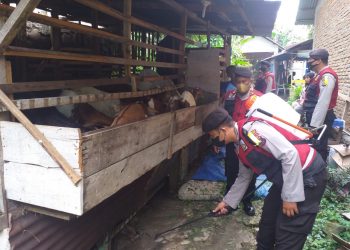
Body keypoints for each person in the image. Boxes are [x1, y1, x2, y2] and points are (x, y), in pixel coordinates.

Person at [202, 108, 327, 250]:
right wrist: (227, 203)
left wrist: (290, 197)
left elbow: (289, 154)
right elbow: (244, 176)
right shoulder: (238, 145)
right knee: (267, 226)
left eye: (214, 136)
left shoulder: (252, 132)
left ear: (223, 130)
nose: (215, 141)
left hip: (307, 174)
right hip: (285, 178)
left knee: (289, 233)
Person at [221, 66, 262, 216]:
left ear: (250, 81)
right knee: (231, 168)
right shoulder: (230, 96)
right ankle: (230, 200)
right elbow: (224, 117)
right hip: (232, 139)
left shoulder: (258, 98)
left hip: (250, 143)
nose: (240, 85)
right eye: (237, 82)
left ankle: (247, 200)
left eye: (244, 81)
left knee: (250, 171)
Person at [303, 48, 338, 161]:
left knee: (319, 145)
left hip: (321, 119)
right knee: (314, 143)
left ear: (318, 60)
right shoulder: (319, 75)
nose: (309, 62)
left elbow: (323, 102)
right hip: (314, 115)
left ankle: (319, 171)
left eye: (310, 59)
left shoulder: (327, 76)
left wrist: (315, 126)